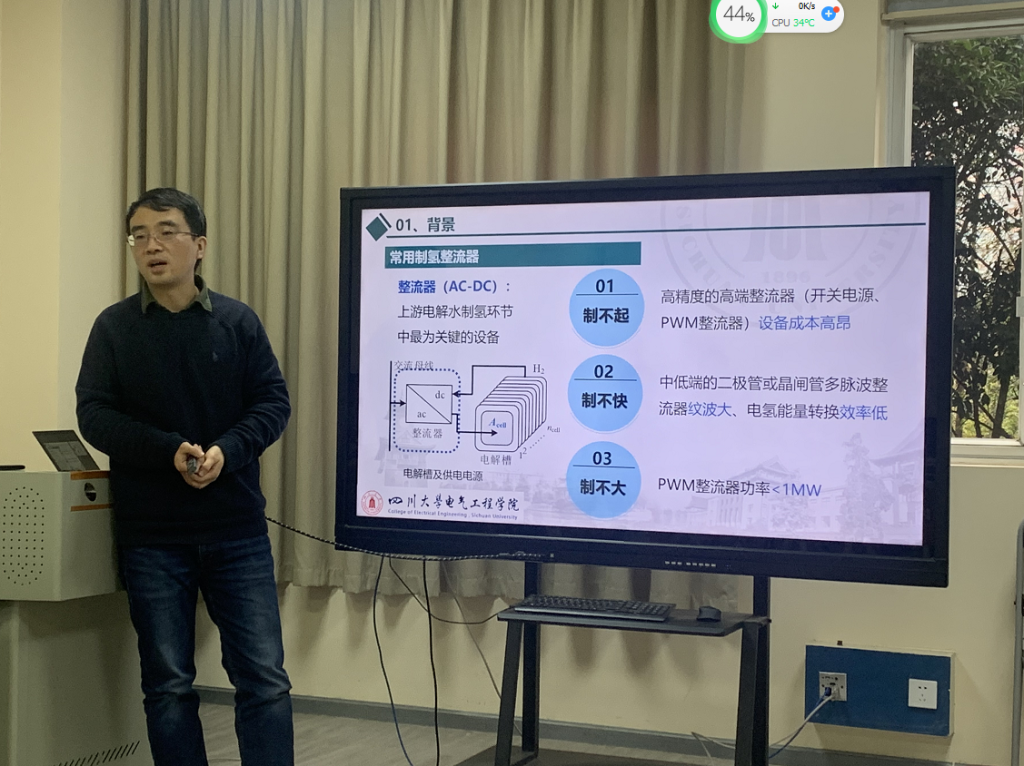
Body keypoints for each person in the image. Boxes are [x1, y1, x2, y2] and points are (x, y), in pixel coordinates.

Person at [76, 188, 294, 766]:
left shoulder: (237, 322)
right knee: (168, 685)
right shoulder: (114, 328)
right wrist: (166, 451)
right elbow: (94, 414)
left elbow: (272, 403)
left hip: (236, 530)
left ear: (199, 246)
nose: (151, 246)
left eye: (166, 232)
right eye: (139, 235)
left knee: (264, 679)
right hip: (153, 536)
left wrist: (228, 450)